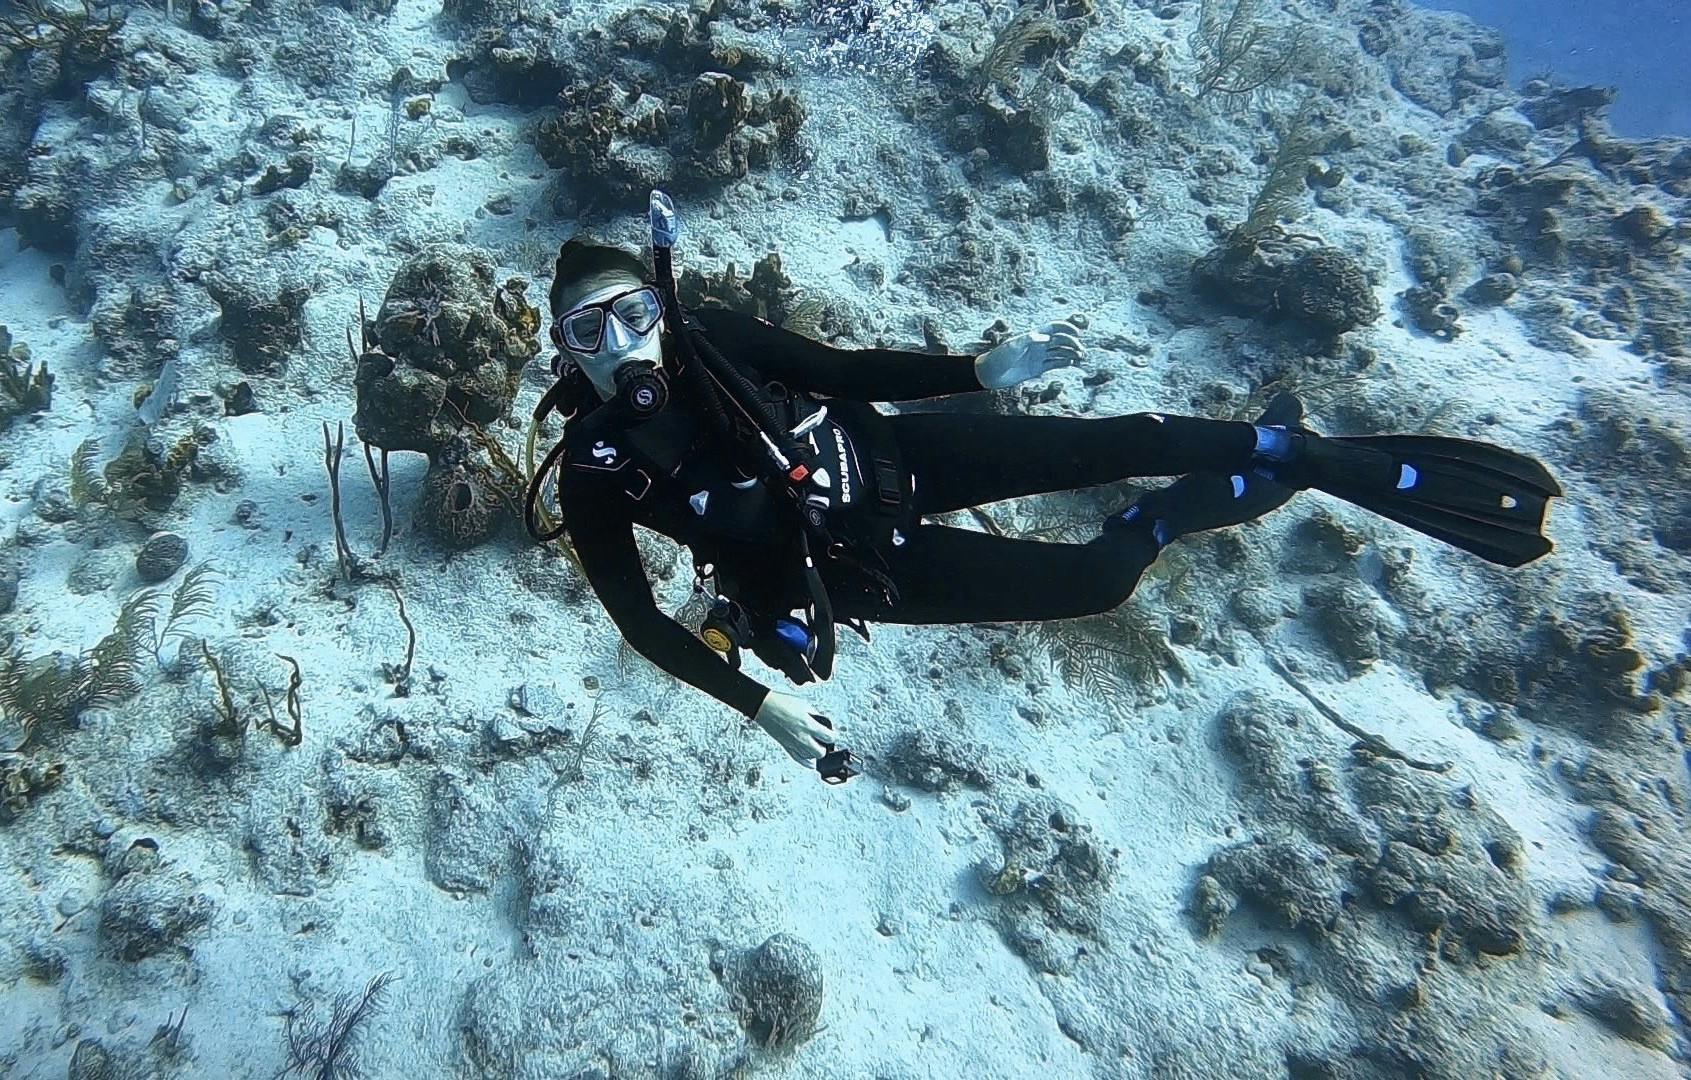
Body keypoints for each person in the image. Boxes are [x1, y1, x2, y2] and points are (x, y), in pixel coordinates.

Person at [528, 191, 1560, 783]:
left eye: (627, 312)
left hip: (897, 457)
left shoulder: (710, 336)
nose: (620, 346)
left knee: (1116, 435)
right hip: (855, 568)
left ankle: (1314, 458)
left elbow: (842, 373)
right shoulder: (595, 474)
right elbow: (640, 622)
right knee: (1096, 583)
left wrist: (974, 373)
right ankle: (1169, 515)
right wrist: (758, 707)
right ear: (566, 357)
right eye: (586, 333)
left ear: (657, 304)